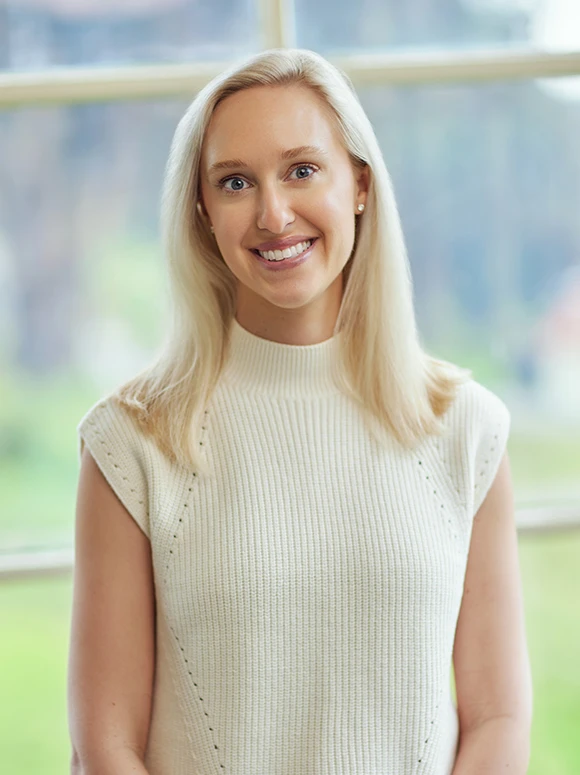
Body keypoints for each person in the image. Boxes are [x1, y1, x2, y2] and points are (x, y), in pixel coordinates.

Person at [67, 47, 533, 775]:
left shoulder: (464, 427)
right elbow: (106, 747)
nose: (273, 213)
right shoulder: (133, 440)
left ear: (359, 185)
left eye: (302, 170)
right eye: (235, 182)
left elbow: (499, 718)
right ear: (203, 211)